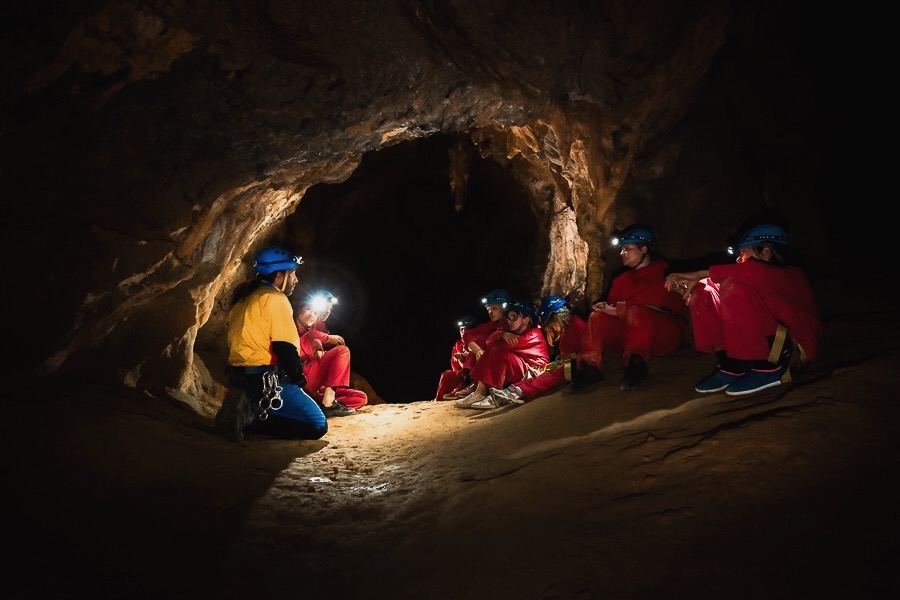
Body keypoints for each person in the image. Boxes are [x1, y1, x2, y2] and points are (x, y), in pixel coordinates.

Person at [664, 223, 820, 396]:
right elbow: (737, 277)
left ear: (766, 252)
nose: (738, 260)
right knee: (703, 291)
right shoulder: (756, 276)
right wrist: (698, 286)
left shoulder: (790, 274)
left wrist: (698, 274)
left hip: (792, 350)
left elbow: (754, 273)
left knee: (732, 284)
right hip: (765, 344)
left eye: (743, 253)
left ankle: (770, 367)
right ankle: (733, 365)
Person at [215, 247, 327, 442]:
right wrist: (298, 379)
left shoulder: (244, 298)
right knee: (317, 425)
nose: (296, 279)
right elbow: (284, 347)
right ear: (279, 275)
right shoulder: (276, 299)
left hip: (240, 376)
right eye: (292, 274)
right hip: (266, 380)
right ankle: (252, 420)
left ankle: (248, 405)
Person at [568, 225, 688, 393]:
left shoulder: (666, 272)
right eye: (621, 249)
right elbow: (613, 311)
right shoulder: (621, 280)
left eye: (627, 249)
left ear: (644, 249)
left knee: (636, 312)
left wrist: (618, 310)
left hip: (665, 333)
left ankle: (637, 365)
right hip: (631, 335)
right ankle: (590, 367)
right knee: (597, 317)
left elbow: (659, 302)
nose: (622, 253)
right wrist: (605, 308)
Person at [485, 295, 588, 407]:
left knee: (554, 374)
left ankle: (519, 391)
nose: (550, 329)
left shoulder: (575, 326)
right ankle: (513, 390)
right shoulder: (569, 330)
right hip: (570, 362)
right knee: (549, 372)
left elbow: (584, 349)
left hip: (581, 362)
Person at [456, 300, 551, 409]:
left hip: (534, 371)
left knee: (498, 351)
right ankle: (480, 392)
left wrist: (501, 336)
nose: (509, 321)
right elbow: (489, 341)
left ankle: (491, 394)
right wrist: (503, 334)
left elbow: (499, 345)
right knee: (495, 350)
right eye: (508, 318)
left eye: (514, 317)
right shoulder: (512, 332)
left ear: (526, 319)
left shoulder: (533, 334)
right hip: (521, 368)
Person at [294, 292, 366, 416]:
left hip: (315, 384)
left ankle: (321, 406)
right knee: (342, 351)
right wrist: (327, 339)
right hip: (299, 378)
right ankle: (328, 403)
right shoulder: (292, 326)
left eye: (316, 312)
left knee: (361, 397)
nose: (312, 314)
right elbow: (311, 336)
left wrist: (321, 351)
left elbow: (314, 338)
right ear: (299, 309)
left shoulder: (314, 328)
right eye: (308, 309)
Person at [441, 288, 511, 400]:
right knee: (480, 345)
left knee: (487, 345)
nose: (490, 312)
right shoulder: (491, 325)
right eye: (488, 309)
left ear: (505, 307)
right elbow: (468, 335)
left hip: (506, 364)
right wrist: (478, 350)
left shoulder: (513, 323)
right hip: (489, 365)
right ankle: (470, 381)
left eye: (494, 308)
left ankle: (476, 385)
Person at [433, 315, 478, 402]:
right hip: (463, 377)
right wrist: (461, 361)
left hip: (475, 377)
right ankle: (439, 400)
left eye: (467, 328)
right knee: (446, 374)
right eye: (461, 329)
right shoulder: (458, 344)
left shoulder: (478, 341)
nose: (464, 331)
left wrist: (464, 358)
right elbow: (455, 366)